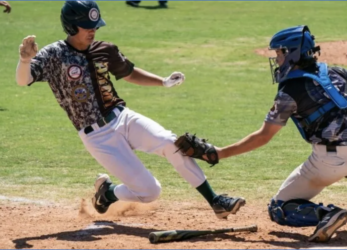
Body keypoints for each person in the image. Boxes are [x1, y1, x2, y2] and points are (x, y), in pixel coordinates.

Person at [15, 1, 245, 220]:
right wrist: (25, 61)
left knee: (170, 142)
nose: (93, 30)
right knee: (150, 191)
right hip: (97, 136)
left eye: (95, 26)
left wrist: (162, 82)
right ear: (70, 25)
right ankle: (109, 193)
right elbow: (23, 81)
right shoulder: (54, 54)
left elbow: (129, 72)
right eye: (87, 26)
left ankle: (215, 201)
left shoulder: (104, 49)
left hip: (123, 117)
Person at [178, 25, 347, 242]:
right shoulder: (335, 72)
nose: (276, 59)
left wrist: (220, 153)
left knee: (278, 208)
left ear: (291, 53)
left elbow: (263, 136)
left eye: (279, 53)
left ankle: (327, 215)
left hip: (326, 164)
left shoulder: (288, 92)